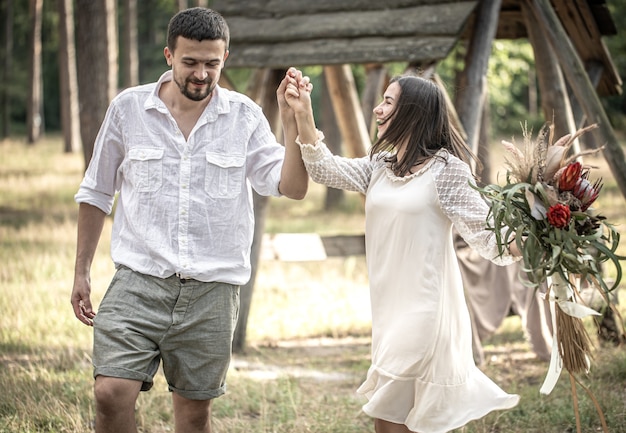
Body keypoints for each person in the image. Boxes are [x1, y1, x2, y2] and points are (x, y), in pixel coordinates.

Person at [70, 8, 311, 433]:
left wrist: (293, 122)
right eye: (191, 63)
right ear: (169, 55)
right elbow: (96, 192)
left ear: (225, 59)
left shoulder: (245, 117)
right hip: (138, 281)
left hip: (212, 291)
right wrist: (81, 272)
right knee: (110, 393)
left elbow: (290, 186)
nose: (201, 74)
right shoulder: (128, 109)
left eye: (212, 64)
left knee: (194, 414)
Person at [280, 71, 522, 433]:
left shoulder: (448, 172)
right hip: (388, 310)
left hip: (426, 310)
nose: (378, 110)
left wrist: (542, 231)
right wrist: (303, 111)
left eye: (388, 102)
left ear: (414, 111)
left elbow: (489, 236)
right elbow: (323, 168)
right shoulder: (380, 167)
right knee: (399, 421)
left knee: (391, 419)